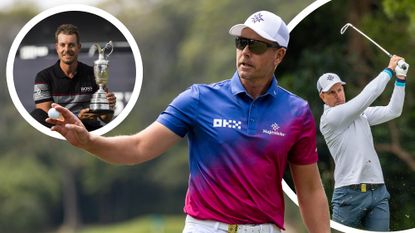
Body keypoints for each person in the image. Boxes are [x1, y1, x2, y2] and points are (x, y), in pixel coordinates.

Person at [48, 11, 330, 233]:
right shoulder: (198, 99)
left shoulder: (297, 112)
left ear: (278, 55)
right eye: (241, 42)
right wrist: (89, 142)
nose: (245, 52)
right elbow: (139, 147)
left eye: (255, 45)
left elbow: (309, 189)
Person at [317, 55, 408, 231]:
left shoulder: (361, 114)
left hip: (378, 191)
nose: (338, 95)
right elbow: (365, 97)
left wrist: (400, 79)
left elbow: (393, 111)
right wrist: (388, 70)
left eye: (340, 90)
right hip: (348, 195)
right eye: (332, 92)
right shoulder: (330, 119)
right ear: (322, 97)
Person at [31, 24, 116, 131]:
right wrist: (76, 119)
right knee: (36, 115)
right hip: (59, 130)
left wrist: (108, 107)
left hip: (88, 130)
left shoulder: (94, 73)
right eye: (62, 45)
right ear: (57, 48)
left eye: (71, 45)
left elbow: (106, 119)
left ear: (78, 47)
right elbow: (46, 114)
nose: (67, 49)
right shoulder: (43, 76)